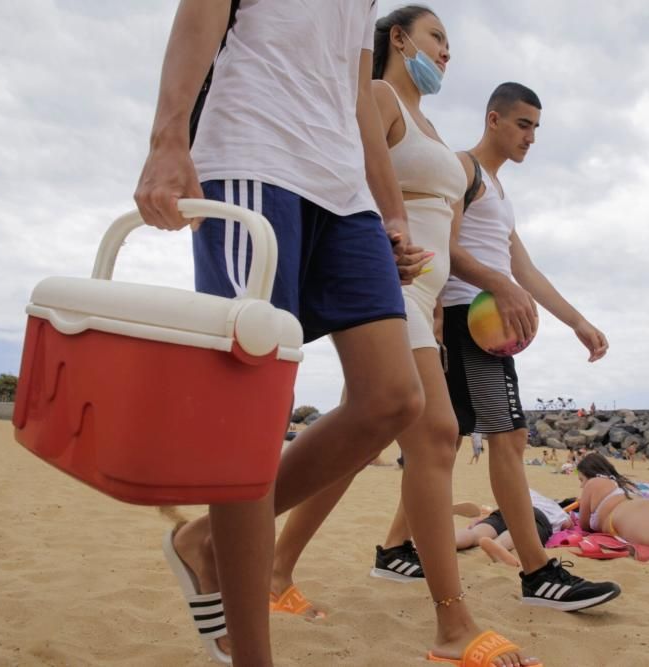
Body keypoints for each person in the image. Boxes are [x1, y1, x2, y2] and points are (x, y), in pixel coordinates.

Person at [135, 2, 428, 664]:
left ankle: (206, 538)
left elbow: (355, 91)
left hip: (343, 189)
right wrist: (167, 137)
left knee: (391, 396)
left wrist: (393, 213)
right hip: (254, 152)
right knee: (252, 412)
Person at [265, 8, 540, 665]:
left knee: (358, 438)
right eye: (436, 38)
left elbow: (442, 234)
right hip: (384, 286)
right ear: (398, 38)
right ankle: (452, 625)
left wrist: (446, 310)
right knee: (438, 434)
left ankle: (269, 568)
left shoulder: (431, 126)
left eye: (449, 44)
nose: (446, 52)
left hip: (423, 303)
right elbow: (351, 177)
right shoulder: (381, 98)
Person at [439, 81, 621, 612]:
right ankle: (538, 572)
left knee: (444, 442)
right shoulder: (462, 169)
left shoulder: (499, 193)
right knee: (510, 438)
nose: (531, 137)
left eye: (537, 127)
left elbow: (526, 271)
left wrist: (577, 321)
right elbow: (443, 249)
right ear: (493, 119)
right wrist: (499, 285)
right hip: (471, 323)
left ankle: (396, 550)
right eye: (523, 124)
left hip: (484, 322)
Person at [455, 490, 572, 568]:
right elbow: (567, 525)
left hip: (509, 509)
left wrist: (482, 518)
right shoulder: (559, 511)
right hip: (538, 517)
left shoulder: (531, 492)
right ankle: (499, 544)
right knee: (517, 533)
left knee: (475, 533)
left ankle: (450, 540)